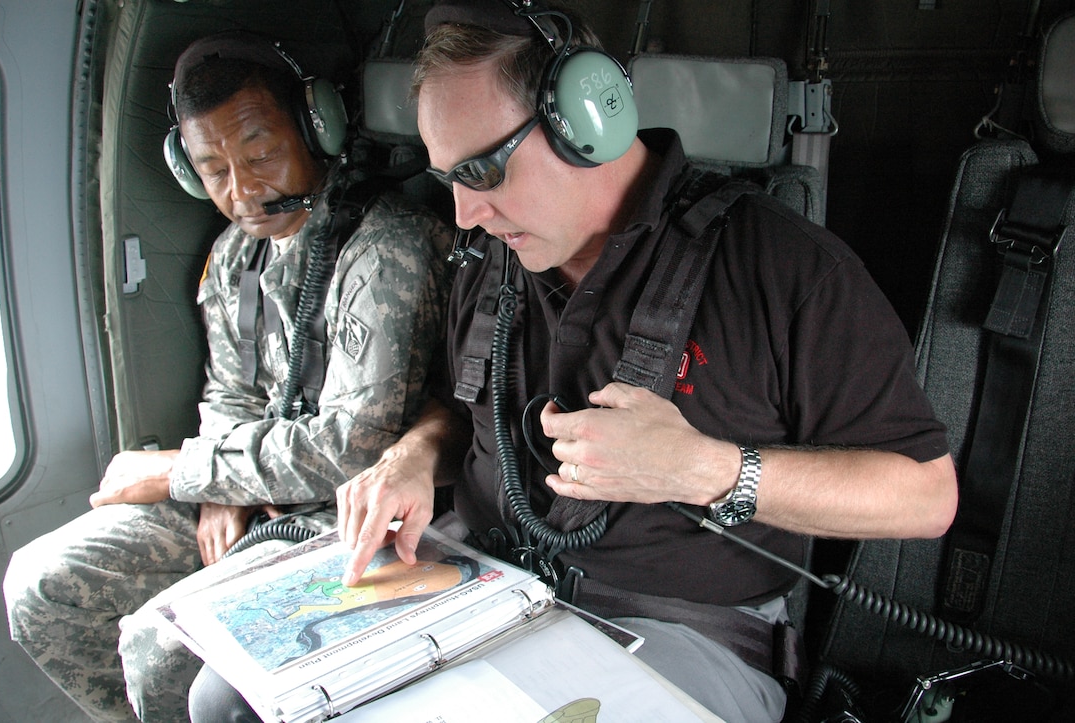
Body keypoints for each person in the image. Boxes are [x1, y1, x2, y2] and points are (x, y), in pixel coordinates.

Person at [191, 2, 959, 721]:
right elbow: (460, 414)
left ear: (586, 119)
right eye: (449, 176)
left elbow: (924, 495)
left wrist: (706, 469)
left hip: (680, 629)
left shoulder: (784, 267)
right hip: (481, 582)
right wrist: (414, 455)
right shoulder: (487, 258)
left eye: (483, 171)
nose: (465, 213)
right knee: (225, 697)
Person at [3, 30, 452, 722]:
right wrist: (220, 487)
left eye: (261, 153)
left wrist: (183, 471)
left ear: (314, 128)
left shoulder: (386, 244)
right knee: (40, 585)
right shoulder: (233, 256)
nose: (241, 191)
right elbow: (228, 394)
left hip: (347, 513)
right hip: (245, 488)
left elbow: (351, 446)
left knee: (160, 648)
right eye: (213, 169)